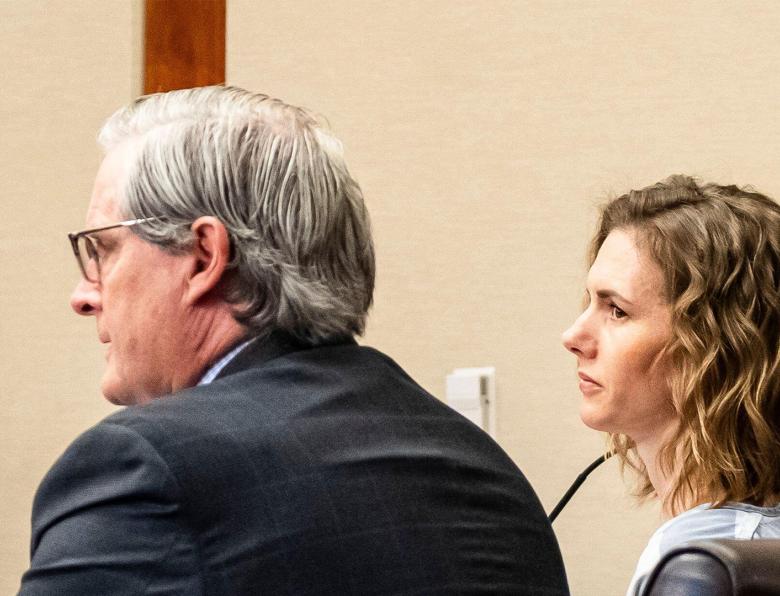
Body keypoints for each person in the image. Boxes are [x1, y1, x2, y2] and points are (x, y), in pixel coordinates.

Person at [19, 86, 568, 595]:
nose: (83, 296)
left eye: (103, 250)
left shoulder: (142, 469)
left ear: (204, 256)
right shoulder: (485, 471)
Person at [561, 174, 780, 595]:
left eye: (616, 310)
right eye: (589, 302)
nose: (573, 337)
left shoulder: (701, 566)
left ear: (715, 347)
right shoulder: (748, 544)